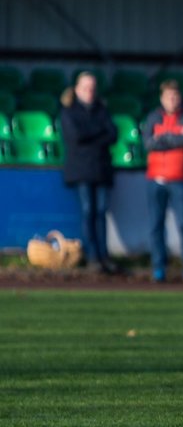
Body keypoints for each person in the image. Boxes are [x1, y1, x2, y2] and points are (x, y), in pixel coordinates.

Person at [60, 71, 120, 275]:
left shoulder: (102, 109)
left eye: (92, 88)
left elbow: (113, 134)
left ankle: (104, 256)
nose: (89, 92)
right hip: (81, 170)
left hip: (101, 169)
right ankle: (93, 256)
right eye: (85, 88)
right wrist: (98, 132)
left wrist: (91, 135)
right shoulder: (69, 111)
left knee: (101, 212)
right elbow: (76, 137)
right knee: (88, 212)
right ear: (77, 89)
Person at [141, 79, 183, 283]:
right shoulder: (153, 117)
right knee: (156, 225)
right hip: (155, 178)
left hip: (179, 179)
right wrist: (174, 135)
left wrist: (162, 138)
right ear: (162, 98)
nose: (172, 100)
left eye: (175, 96)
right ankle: (159, 267)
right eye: (168, 96)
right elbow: (148, 143)